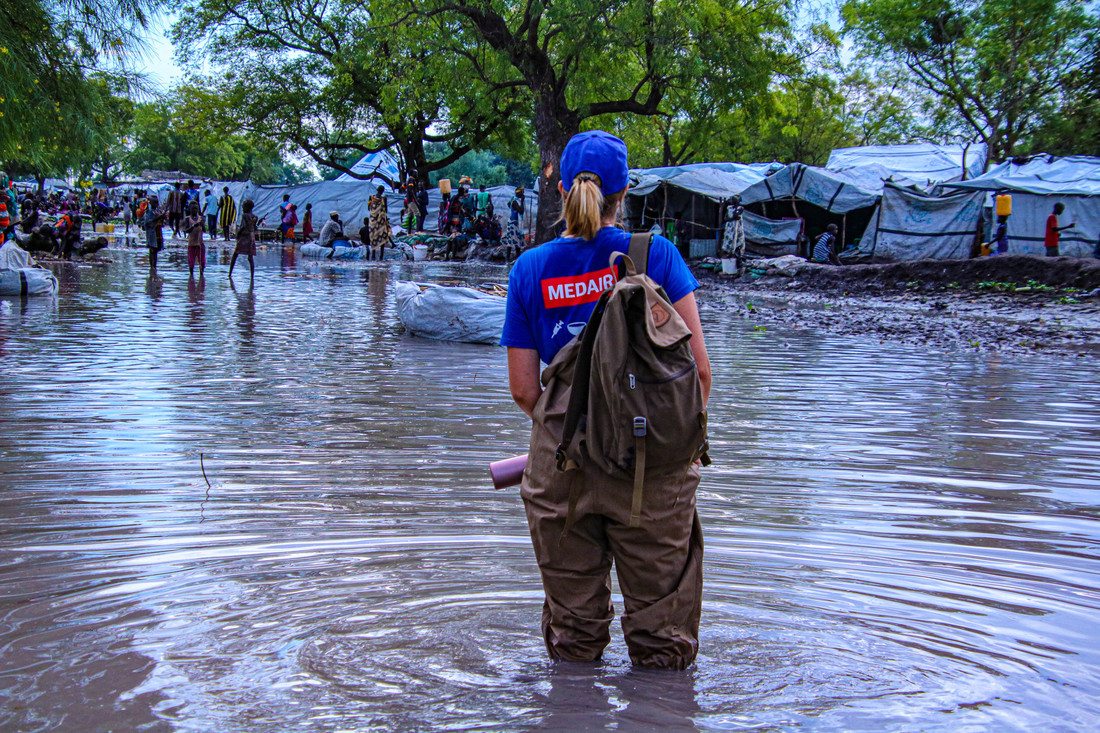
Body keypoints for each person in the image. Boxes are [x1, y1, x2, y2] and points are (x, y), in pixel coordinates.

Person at [500, 129, 710, 670]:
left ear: (564, 187)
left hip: (561, 469)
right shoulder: (655, 255)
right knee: (662, 641)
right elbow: (699, 376)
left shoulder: (529, 269)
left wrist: (579, 432)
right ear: (625, 193)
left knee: (573, 641)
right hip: (650, 469)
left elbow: (525, 389)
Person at [229, 199, 259, 281]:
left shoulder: (244, 215)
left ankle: (229, 274)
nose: (242, 208)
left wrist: (238, 235)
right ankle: (252, 276)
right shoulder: (254, 217)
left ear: (247, 207)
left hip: (244, 236)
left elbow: (242, 226)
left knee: (235, 254)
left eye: (243, 207)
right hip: (251, 237)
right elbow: (255, 228)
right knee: (250, 257)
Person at [142, 195, 166, 271]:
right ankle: (152, 267)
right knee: (152, 250)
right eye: (154, 202)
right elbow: (147, 222)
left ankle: (154, 267)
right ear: (150, 203)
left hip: (158, 233)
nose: (156, 204)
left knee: (155, 251)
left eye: (157, 202)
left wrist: (162, 219)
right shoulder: (148, 212)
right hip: (152, 233)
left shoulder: (158, 211)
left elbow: (162, 223)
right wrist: (159, 218)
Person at [183, 200, 206, 278]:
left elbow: (205, 230)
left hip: (200, 243)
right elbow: (186, 230)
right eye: (193, 209)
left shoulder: (201, 219)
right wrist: (193, 227)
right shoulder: (187, 219)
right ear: (190, 209)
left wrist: (202, 224)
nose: (194, 210)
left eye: (196, 208)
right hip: (192, 243)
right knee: (191, 261)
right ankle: (191, 276)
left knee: (202, 261)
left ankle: (201, 275)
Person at [367, 185, 390, 261]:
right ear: (383, 191)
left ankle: (373, 254)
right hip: (381, 220)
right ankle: (381, 255)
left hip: (372, 220)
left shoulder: (371, 197)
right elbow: (385, 209)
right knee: (382, 236)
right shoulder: (383, 198)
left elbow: (368, 208)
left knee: (373, 236)